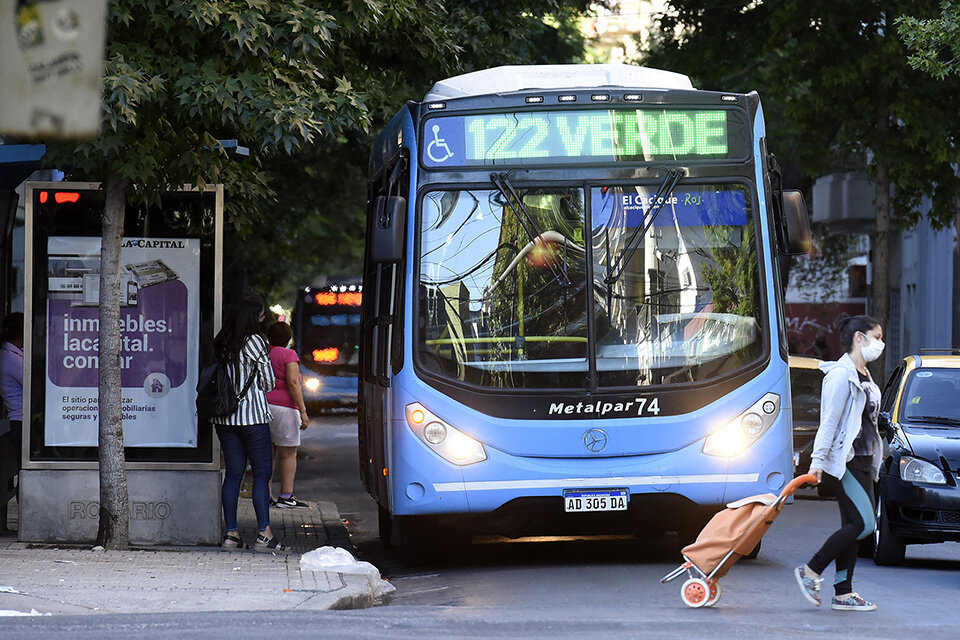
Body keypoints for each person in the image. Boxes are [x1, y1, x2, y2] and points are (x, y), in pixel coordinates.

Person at [794, 315, 884, 612]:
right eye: (877, 337)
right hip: (845, 462)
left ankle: (843, 593)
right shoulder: (840, 375)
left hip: (865, 461)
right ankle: (811, 570)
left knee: (854, 527)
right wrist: (817, 461)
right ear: (860, 338)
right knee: (864, 524)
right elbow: (829, 423)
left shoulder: (865, 375)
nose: (880, 343)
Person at [210, 299, 288, 552]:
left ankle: (231, 535)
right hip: (252, 419)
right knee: (262, 474)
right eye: (262, 315)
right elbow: (268, 383)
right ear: (253, 317)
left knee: (233, 474)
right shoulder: (255, 341)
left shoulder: (222, 341)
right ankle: (264, 534)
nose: (263, 320)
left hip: (224, 418)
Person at [265, 321, 310, 509]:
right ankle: (285, 496)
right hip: (285, 409)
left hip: (263, 407)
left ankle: (265, 495)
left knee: (267, 454)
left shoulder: (264, 353)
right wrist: (303, 410)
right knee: (288, 454)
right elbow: (293, 382)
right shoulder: (288, 355)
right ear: (288, 338)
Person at [0, 312, 24, 471]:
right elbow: (31, 381)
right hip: (20, 419)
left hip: (18, 418)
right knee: (22, 467)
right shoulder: (10, 357)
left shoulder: (11, 354)